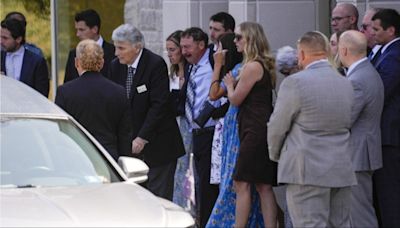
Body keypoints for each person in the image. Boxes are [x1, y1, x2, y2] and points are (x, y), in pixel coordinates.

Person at [267, 31, 357, 227]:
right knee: (340, 224)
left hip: (305, 167)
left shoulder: (295, 82)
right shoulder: (346, 83)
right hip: (341, 164)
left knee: (309, 224)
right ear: (326, 52)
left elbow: (277, 126)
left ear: (301, 54)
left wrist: (275, 155)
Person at [107, 24, 184, 201]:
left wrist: (142, 137)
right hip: (129, 149)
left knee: (158, 199)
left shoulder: (155, 64)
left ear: (137, 46)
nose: (116, 52)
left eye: (121, 48)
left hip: (158, 146)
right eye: (115, 47)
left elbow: (159, 106)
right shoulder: (115, 66)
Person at [207, 33, 265, 228]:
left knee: (238, 180)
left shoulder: (242, 68)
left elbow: (214, 94)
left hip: (240, 126)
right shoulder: (238, 68)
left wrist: (217, 66)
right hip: (233, 126)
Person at [223, 22, 278, 227]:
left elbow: (236, 99)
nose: (235, 41)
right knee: (262, 184)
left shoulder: (252, 66)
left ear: (250, 40)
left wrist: (229, 86)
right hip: (257, 127)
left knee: (242, 182)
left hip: (254, 129)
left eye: (239, 37)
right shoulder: (260, 64)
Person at [55, 39, 132, 161]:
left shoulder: (65, 92)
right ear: (101, 63)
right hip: (108, 160)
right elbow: (124, 135)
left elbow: (62, 132)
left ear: (76, 62)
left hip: (76, 157)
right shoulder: (119, 92)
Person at [338, 30, 384, 228]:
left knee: (359, 214)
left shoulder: (357, 79)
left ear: (345, 50)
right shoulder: (366, 72)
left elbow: (344, 118)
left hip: (357, 154)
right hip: (361, 152)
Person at [180, 27, 220, 227]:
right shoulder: (191, 67)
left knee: (207, 183)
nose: (184, 52)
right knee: (200, 182)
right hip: (196, 132)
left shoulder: (213, 63)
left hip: (211, 130)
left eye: (188, 47)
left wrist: (205, 117)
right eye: (182, 47)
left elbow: (217, 96)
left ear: (201, 45)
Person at [371, 8, 400, 227]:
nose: (372, 32)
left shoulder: (395, 54)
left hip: (390, 136)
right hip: (384, 135)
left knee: (389, 194)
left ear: (391, 30)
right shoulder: (384, 52)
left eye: (376, 28)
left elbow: (381, 91)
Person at [166, 30, 195, 214]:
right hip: (173, 128)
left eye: (173, 49)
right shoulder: (170, 75)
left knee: (187, 168)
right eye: (167, 50)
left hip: (188, 126)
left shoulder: (191, 73)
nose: (170, 54)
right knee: (177, 169)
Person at [0, 18, 49, 97]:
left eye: (5, 38)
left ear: (18, 39)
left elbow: (42, 95)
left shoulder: (36, 62)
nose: (1, 41)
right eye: (0, 37)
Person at [64, 9, 115, 83]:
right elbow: (67, 86)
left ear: (94, 29)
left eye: (81, 30)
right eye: (77, 30)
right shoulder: (73, 54)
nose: (77, 34)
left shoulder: (114, 52)